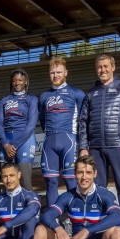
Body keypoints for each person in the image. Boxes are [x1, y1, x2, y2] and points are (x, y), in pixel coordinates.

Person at [78, 54, 120, 239]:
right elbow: (83, 122)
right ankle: (98, 222)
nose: (102, 70)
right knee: (97, 188)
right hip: (96, 148)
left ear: (113, 67)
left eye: (106, 66)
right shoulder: (91, 94)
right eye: (99, 67)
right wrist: (83, 147)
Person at [39, 57, 86, 207]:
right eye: (52, 72)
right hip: (49, 143)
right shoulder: (44, 96)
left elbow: (84, 120)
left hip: (70, 141)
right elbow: (42, 120)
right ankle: (53, 219)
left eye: (59, 72)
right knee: (51, 182)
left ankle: (73, 217)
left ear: (66, 72)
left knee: (71, 179)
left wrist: (84, 144)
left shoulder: (77, 93)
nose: (55, 75)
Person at [0, 68, 38, 191]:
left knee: (24, 180)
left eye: (20, 80)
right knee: (6, 181)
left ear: (25, 81)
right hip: (6, 143)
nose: (17, 83)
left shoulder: (31, 99)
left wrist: (14, 145)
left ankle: (31, 208)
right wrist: (5, 144)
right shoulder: (4, 100)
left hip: (25, 141)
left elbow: (31, 124)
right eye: (14, 80)